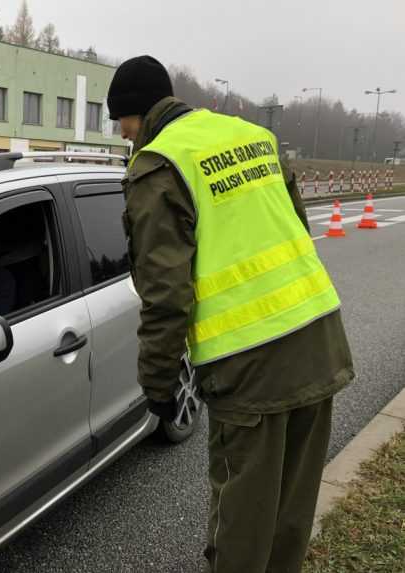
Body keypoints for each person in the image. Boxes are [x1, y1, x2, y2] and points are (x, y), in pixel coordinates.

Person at [107, 55, 355, 573]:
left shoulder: (158, 165)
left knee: (241, 521)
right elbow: (295, 225)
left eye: (120, 122)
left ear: (135, 113)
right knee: (290, 511)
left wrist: (157, 383)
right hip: (319, 339)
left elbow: (165, 295)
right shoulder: (251, 136)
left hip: (249, 367)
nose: (122, 134)